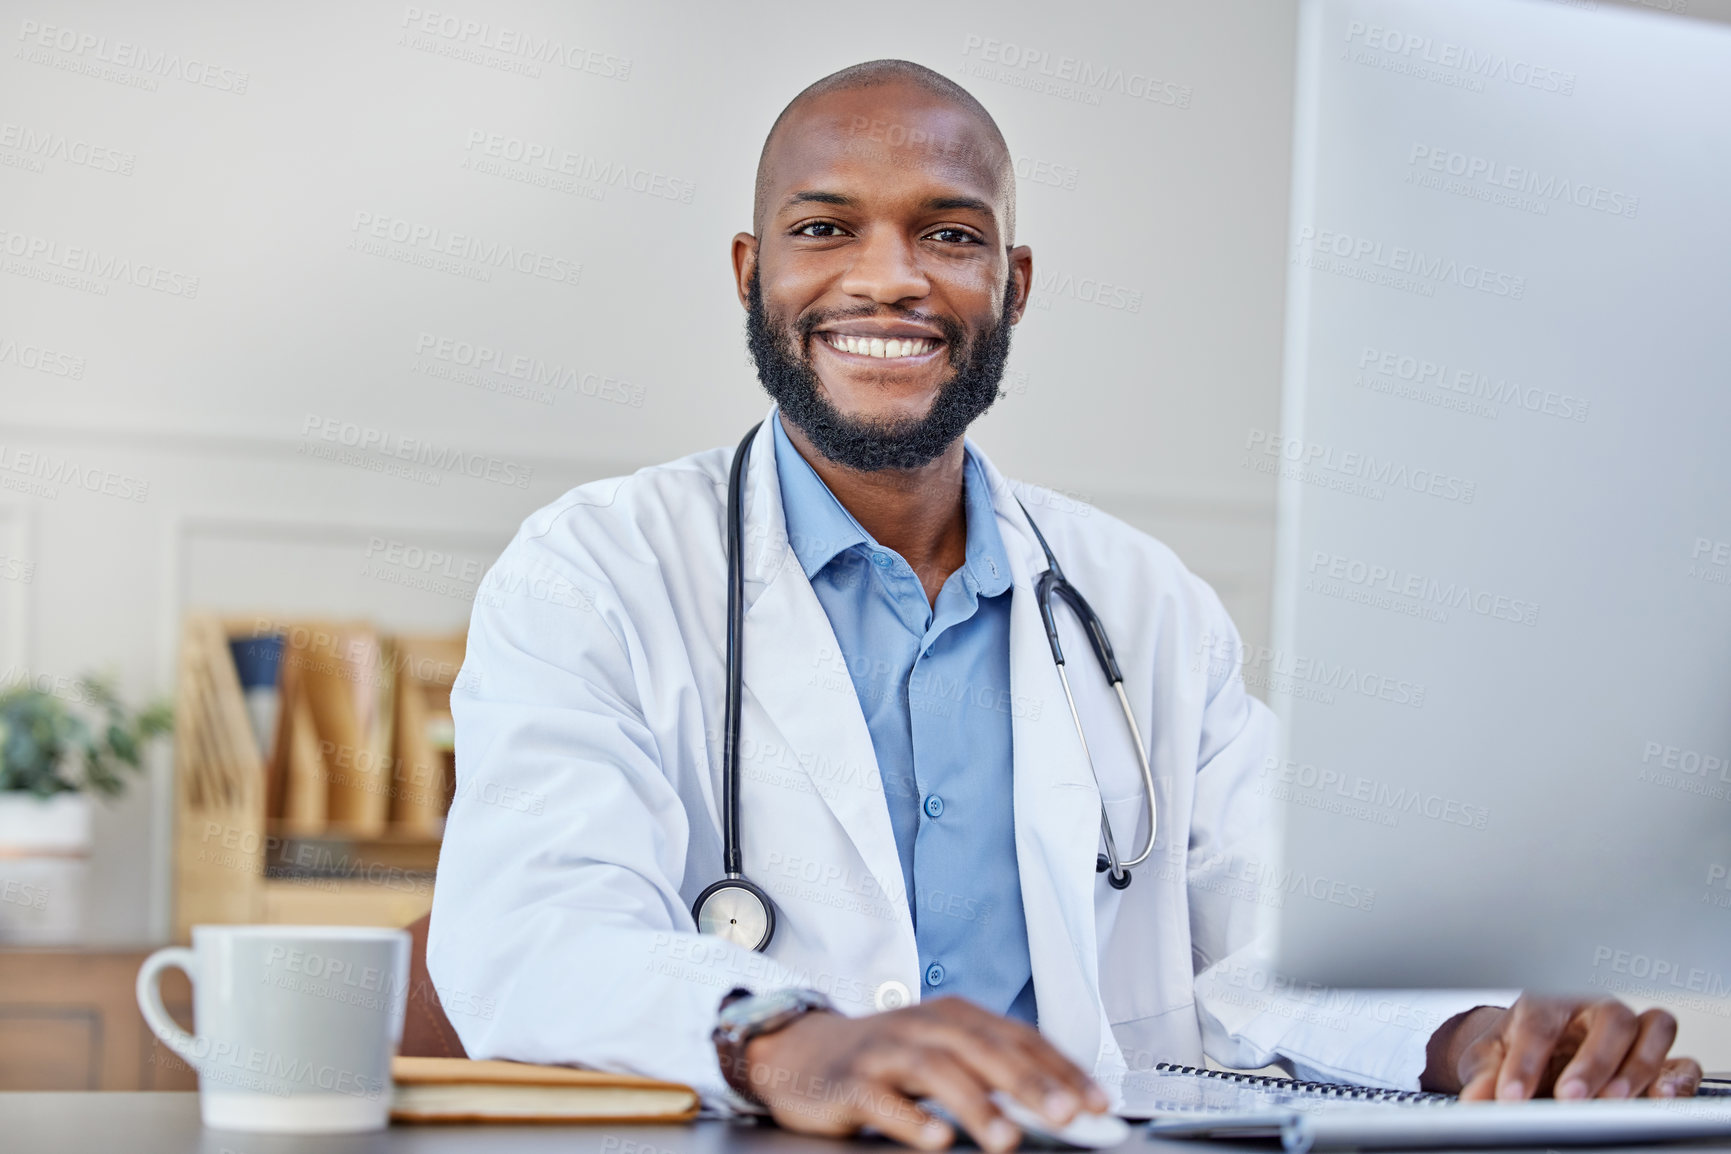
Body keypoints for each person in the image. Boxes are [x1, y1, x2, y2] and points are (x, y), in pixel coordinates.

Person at [428, 59, 1701, 1150]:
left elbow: (1263, 941)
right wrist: (792, 1039)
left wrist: (1467, 1036)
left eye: (950, 231)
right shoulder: (594, 567)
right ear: (751, 269)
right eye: (827, 229)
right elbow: (532, 926)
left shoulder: (1143, 599)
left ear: (1014, 282)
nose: (892, 278)